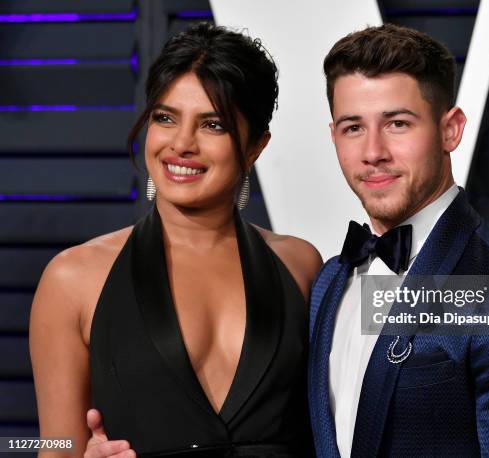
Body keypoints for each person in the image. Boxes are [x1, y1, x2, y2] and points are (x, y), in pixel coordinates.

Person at [29, 22, 321, 457]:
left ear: (256, 145)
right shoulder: (73, 278)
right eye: (165, 118)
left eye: (213, 125)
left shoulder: (300, 265)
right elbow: (54, 446)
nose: (181, 144)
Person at [308, 24, 489, 457]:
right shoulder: (327, 282)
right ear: (333, 136)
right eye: (353, 127)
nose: (373, 151)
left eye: (397, 123)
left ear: (450, 130)